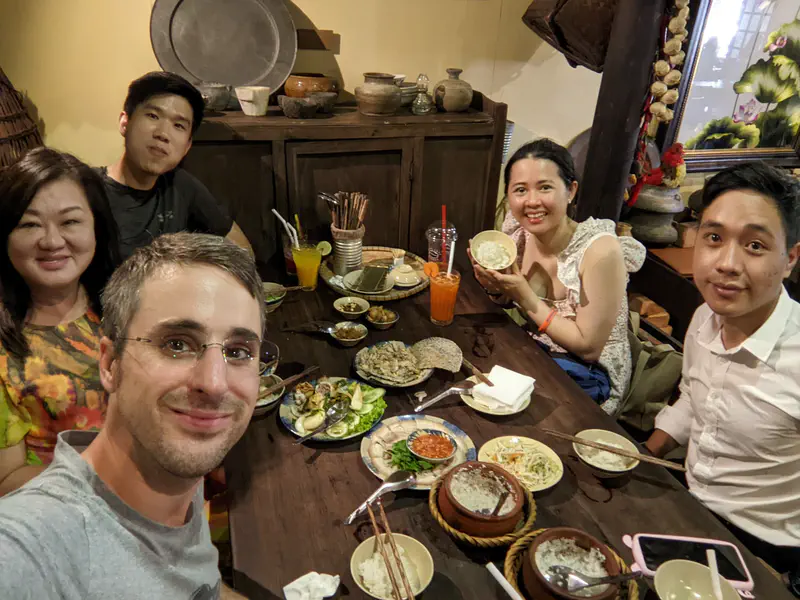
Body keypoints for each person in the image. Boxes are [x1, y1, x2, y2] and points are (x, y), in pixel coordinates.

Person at [0, 233, 264, 599]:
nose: (214, 383)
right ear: (110, 364)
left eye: (237, 352)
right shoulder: (35, 549)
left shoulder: (175, 470)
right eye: (176, 344)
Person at [645, 162, 800, 597]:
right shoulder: (703, 317)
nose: (726, 264)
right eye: (714, 238)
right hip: (689, 511)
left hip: (765, 551)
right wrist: (638, 456)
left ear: (790, 258)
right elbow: (695, 398)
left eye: (754, 245)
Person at [469, 139, 645, 415]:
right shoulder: (518, 232)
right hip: (537, 352)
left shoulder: (599, 251)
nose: (532, 201)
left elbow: (587, 348)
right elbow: (508, 299)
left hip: (589, 374)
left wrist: (525, 297)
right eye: (520, 190)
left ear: (571, 191)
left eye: (545, 187)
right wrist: (494, 288)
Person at [0, 147, 121, 496]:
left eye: (70, 221)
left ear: (97, 227)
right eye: (29, 224)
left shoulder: (127, 304)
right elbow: (6, 483)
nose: (52, 241)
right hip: (62, 517)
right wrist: (113, 465)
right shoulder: (5, 347)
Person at [100, 71, 253, 259]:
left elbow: (243, 252)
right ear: (125, 122)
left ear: (187, 146)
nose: (163, 134)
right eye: (153, 116)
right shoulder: (88, 191)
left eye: (179, 126)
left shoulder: (181, 185)